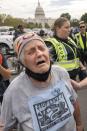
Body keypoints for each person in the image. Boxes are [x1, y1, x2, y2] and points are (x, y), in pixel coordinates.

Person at [1, 32, 83, 131]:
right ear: (23, 62)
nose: (39, 54)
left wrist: (79, 124)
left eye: (41, 48)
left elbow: (73, 100)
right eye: (31, 52)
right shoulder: (13, 92)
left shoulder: (61, 72)